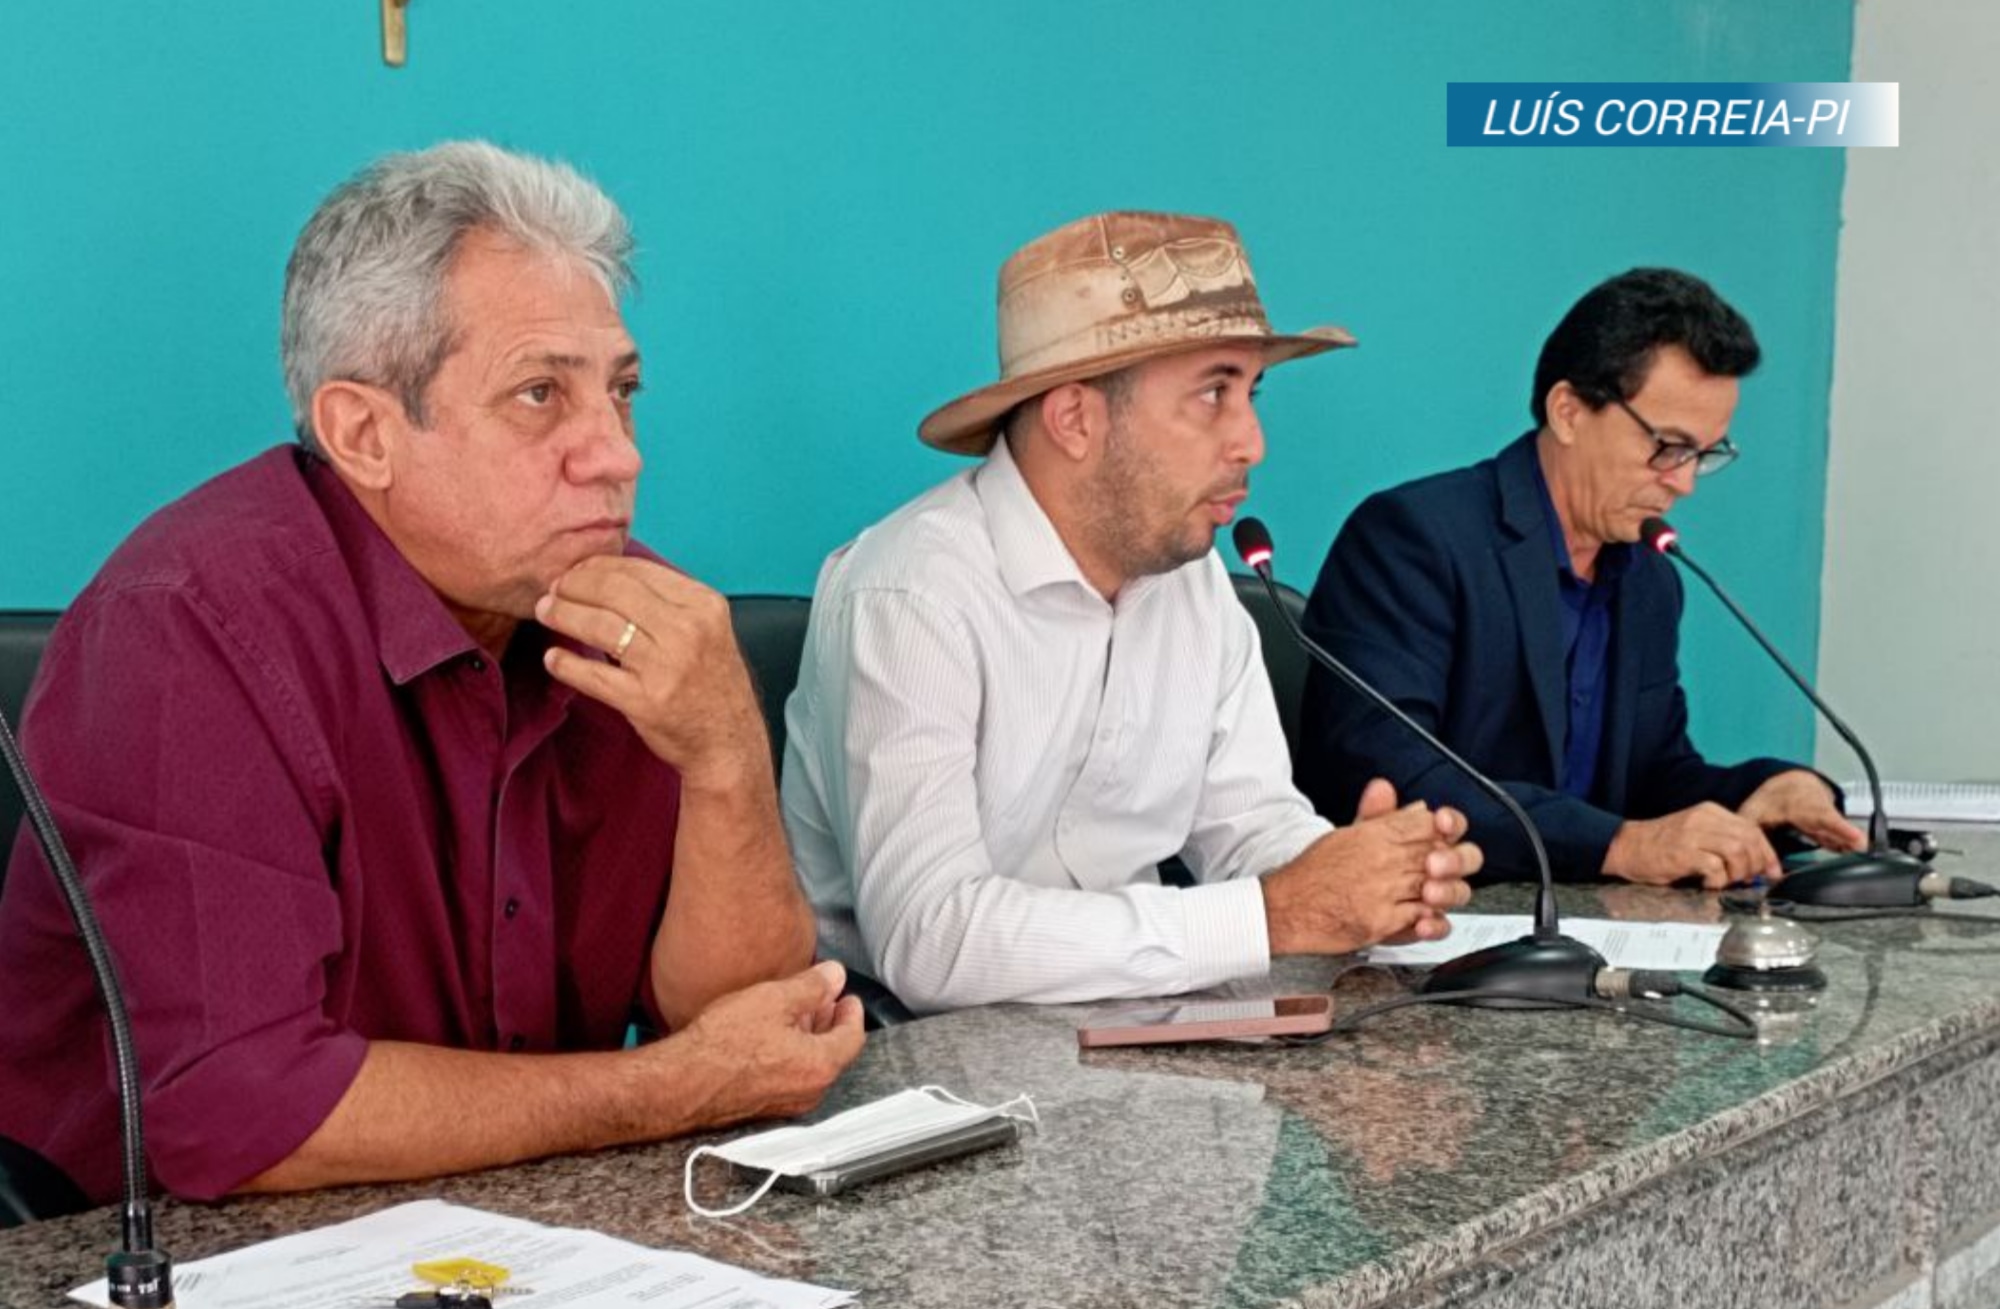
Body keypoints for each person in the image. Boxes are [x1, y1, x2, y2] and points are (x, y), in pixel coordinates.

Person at [0, 142, 862, 1206]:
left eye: (622, 392)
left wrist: (725, 752)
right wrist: (668, 1088)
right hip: (130, 1249)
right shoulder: (185, 625)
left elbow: (751, 1035)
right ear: (363, 433)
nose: (618, 453)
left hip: (504, 1216)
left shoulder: (635, 614)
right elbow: (243, 1116)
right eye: (540, 394)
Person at [780, 210, 1481, 1013]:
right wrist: (1277, 913)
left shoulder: (1196, 584)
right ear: (1076, 419)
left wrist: (1364, 881)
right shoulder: (910, 595)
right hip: (911, 1043)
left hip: (1143, 1017)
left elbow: (1250, 826)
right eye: (1213, 393)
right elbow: (930, 939)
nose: (1252, 442)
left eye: (1251, 393)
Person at [1295, 267, 1864, 889]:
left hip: (1586, 928)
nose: (1683, 482)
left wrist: (1765, 790)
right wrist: (1617, 845)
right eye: (1668, 446)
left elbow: (1651, 779)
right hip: (1429, 914)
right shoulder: (1416, 538)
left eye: (1704, 454)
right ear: (1568, 412)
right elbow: (1392, 776)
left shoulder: (1649, 579)